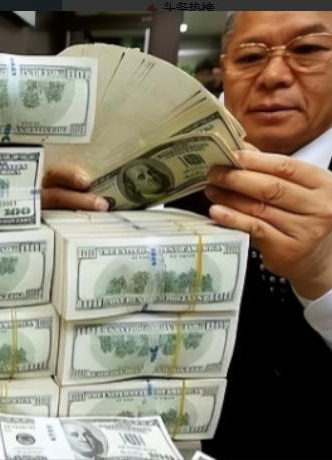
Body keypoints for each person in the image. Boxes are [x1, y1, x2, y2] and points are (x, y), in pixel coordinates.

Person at [43, 11, 332, 459]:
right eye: (250, 57)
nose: (274, 75)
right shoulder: (169, 173)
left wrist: (324, 276)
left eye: (308, 49)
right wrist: (45, 226)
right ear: (224, 68)